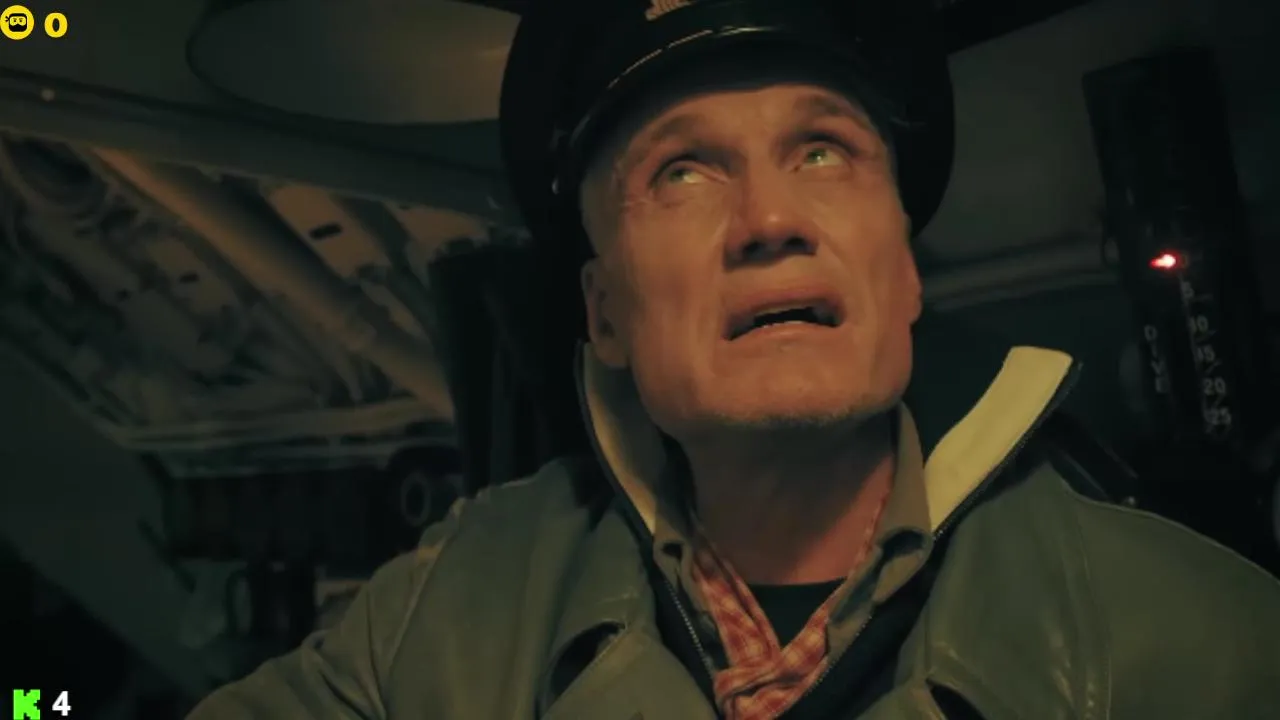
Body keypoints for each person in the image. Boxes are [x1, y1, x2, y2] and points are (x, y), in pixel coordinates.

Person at [189, 0, 1280, 717]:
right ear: (605, 314)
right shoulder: (442, 617)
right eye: (682, 173)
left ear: (904, 274)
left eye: (822, 152)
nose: (769, 219)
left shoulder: (1202, 643)